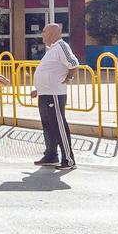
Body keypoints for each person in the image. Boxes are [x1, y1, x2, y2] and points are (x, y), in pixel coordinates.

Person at [34, 21, 81, 169]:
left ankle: (68, 159)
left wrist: (68, 78)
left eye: (44, 32)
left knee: (59, 125)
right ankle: (51, 155)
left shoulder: (61, 46)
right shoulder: (52, 49)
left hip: (54, 94)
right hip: (45, 93)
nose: (42, 35)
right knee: (48, 126)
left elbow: (73, 64)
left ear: (53, 33)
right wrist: (39, 88)